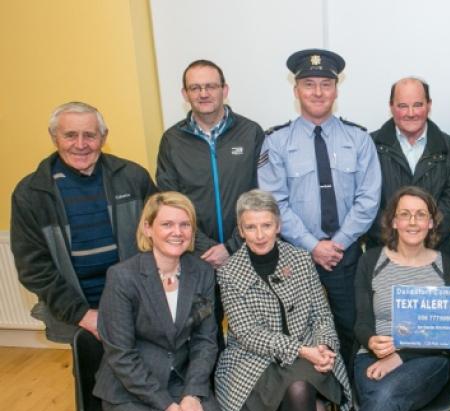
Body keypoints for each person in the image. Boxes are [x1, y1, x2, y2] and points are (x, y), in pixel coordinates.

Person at [93, 192, 236, 411]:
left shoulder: (202, 272)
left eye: (185, 225)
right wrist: (169, 406)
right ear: (148, 228)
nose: (177, 232)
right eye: (167, 224)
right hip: (129, 392)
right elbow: (121, 356)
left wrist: (193, 394)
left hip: (182, 381)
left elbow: (206, 341)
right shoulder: (123, 277)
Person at [259, 49, 381, 371]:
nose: (317, 92)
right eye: (309, 84)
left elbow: (368, 199)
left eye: (325, 84)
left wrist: (336, 244)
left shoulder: (358, 139)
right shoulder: (276, 142)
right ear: (296, 89)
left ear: (336, 90)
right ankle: (312, 405)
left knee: (351, 330)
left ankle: (354, 404)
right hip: (296, 256)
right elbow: (274, 203)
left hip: (346, 254)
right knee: (300, 334)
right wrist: (313, 246)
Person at [214, 189, 352, 411]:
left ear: (278, 225)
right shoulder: (229, 272)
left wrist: (324, 347)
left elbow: (321, 313)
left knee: (303, 392)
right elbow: (246, 333)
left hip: (310, 356)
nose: (260, 234)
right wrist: (304, 352)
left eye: (266, 225)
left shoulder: (300, 260)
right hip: (255, 364)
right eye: (250, 227)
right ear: (240, 230)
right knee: (315, 409)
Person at [11, 101, 156, 343]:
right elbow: (34, 269)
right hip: (77, 315)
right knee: (93, 379)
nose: (80, 145)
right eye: (70, 135)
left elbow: (162, 237)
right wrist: (83, 315)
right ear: (54, 137)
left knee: (149, 374)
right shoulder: (31, 194)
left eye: (89, 135)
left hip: (138, 305)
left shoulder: (133, 178)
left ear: (103, 136)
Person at [338, 186, 450, 411]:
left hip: (428, 361)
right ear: (393, 221)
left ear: (431, 222)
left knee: (384, 397)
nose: (413, 222)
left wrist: (399, 356)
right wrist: (371, 340)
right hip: (373, 358)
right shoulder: (371, 260)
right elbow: (362, 322)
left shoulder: (446, 265)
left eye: (420, 215)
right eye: (405, 215)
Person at [157, 59, 264, 268]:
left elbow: (262, 194)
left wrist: (232, 246)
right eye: (195, 88)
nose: (203, 94)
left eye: (211, 86)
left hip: (247, 249)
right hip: (195, 255)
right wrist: (204, 246)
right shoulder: (172, 140)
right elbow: (170, 201)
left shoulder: (251, 133)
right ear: (185, 94)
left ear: (224, 90)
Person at [367, 77, 450, 260]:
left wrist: (423, 240)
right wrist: (397, 241)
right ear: (391, 106)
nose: (411, 113)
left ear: (429, 105)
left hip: (436, 252)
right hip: (382, 251)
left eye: (418, 105)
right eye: (403, 106)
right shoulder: (369, 146)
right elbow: (366, 202)